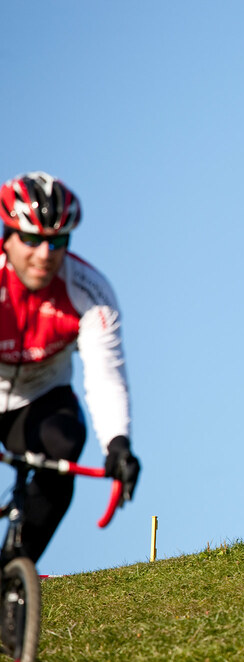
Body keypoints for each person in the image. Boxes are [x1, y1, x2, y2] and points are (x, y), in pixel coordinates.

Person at [0, 172, 140, 565]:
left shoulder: (88, 291)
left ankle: (12, 578)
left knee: (63, 448)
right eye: (31, 239)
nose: (45, 254)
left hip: (41, 395)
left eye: (57, 241)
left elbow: (105, 372)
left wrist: (118, 443)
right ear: (7, 236)